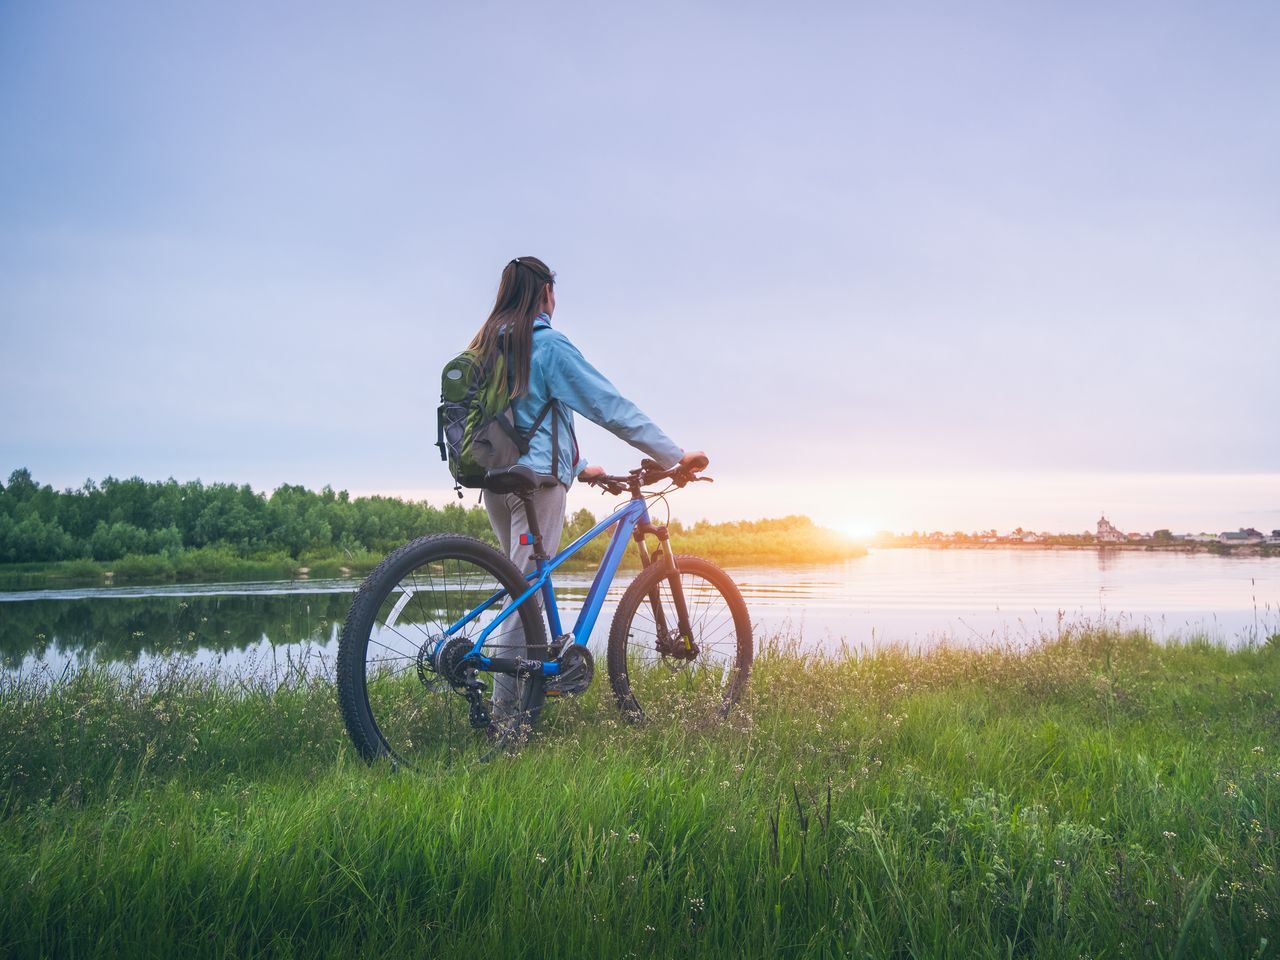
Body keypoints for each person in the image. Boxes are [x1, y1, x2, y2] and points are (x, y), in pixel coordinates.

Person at [469, 256, 706, 714]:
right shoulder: (546, 345)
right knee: (525, 597)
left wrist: (580, 466)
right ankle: (504, 721)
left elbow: (525, 417)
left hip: (497, 484)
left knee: (523, 590)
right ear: (545, 294)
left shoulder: (489, 345)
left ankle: (525, 704)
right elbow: (608, 405)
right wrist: (673, 456)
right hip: (537, 486)